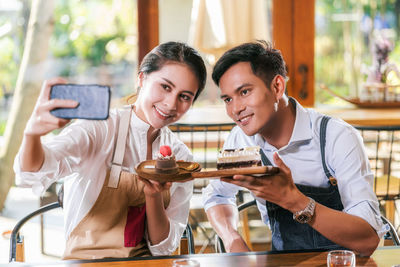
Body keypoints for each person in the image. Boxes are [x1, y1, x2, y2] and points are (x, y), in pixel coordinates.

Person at [14, 41, 207, 259]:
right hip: (85, 263)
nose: (172, 104)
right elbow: (32, 173)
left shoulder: (180, 157)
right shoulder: (99, 129)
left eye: (184, 97)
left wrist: (153, 196)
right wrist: (32, 134)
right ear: (142, 78)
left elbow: (162, 247)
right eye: (165, 87)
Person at [202, 40, 388, 256]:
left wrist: (292, 200)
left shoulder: (336, 137)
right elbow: (216, 195)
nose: (235, 109)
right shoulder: (242, 138)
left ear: (277, 86)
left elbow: (368, 240)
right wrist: (233, 241)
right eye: (227, 99)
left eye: (244, 92)